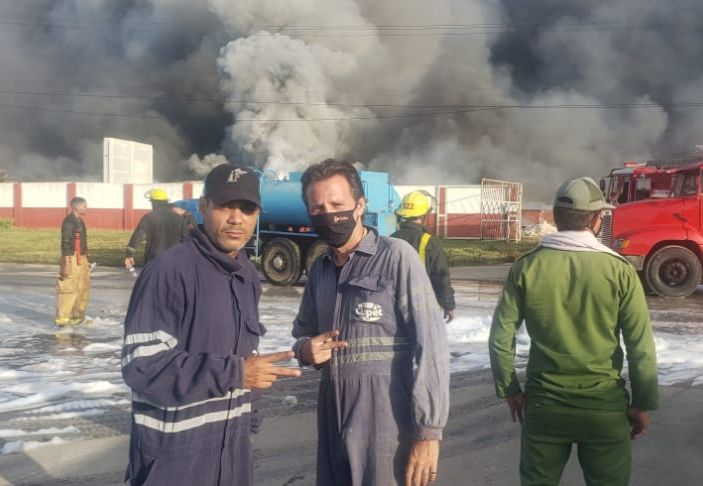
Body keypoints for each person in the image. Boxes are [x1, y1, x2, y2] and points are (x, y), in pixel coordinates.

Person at [121, 164, 301, 486]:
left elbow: (246, 354)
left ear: (257, 214)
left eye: (247, 208)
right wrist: (235, 373)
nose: (236, 218)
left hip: (232, 456)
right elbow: (142, 365)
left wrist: (248, 424)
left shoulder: (246, 275)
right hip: (175, 461)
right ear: (204, 207)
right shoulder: (168, 272)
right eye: (225, 206)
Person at [488, 176, 659, 486]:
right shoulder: (619, 270)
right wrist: (641, 403)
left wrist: (510, 389)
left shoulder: (527, 267)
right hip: (604, 410)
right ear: (596, 220)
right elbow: (640, 346)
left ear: (555, 217)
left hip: (544, 407)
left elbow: (501, 337)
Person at [292, 159, 450, 486]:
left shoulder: (396, 257)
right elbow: (302, 333)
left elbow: (431, 346)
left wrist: (428, 433)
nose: (328, 215)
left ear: (360, 205)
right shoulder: (319, 270)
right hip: (333, 419)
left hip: (388, 426)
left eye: (337, 205)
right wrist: (305, 349)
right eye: (317, 207)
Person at [392, 191, 456, 323]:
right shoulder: (429, 242)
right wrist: (448, 305)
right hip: (421, 307)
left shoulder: (391, 239)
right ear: (424, 215)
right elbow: (440, 276)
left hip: (393, 306)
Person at [124, 188, 196, 270]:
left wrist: (129, 255)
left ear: (154, 203)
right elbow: (190, 237)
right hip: (176, 260)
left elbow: (138, 236)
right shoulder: (181, 217)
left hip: (154, 261)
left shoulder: (149, 217)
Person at [55, 196, 90, 326]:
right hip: (71, 257)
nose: (86, 208)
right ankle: (63, 318)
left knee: (82, 287)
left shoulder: (80, 220)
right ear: (77, 207)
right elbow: (65, 242)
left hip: (81, 257)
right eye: (85, 206)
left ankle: (77, 316)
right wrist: (66, 263)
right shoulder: (69, 222)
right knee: (68, 287)